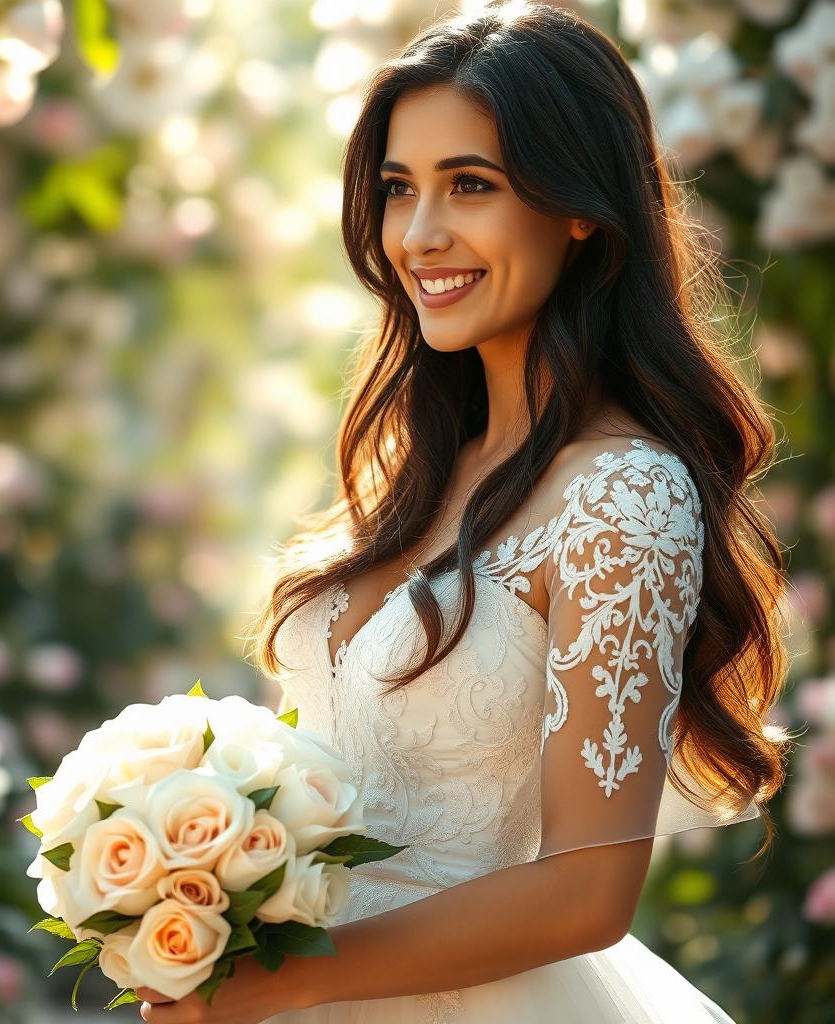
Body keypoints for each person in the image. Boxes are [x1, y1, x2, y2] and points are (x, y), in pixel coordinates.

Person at [137, 2, 792, 1021]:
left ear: (581, 206)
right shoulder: (413, 471)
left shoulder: (623, 496)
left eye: (471, 186)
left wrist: (282, 979)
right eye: (399, 190)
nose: (421, 234)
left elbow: (586, 892)